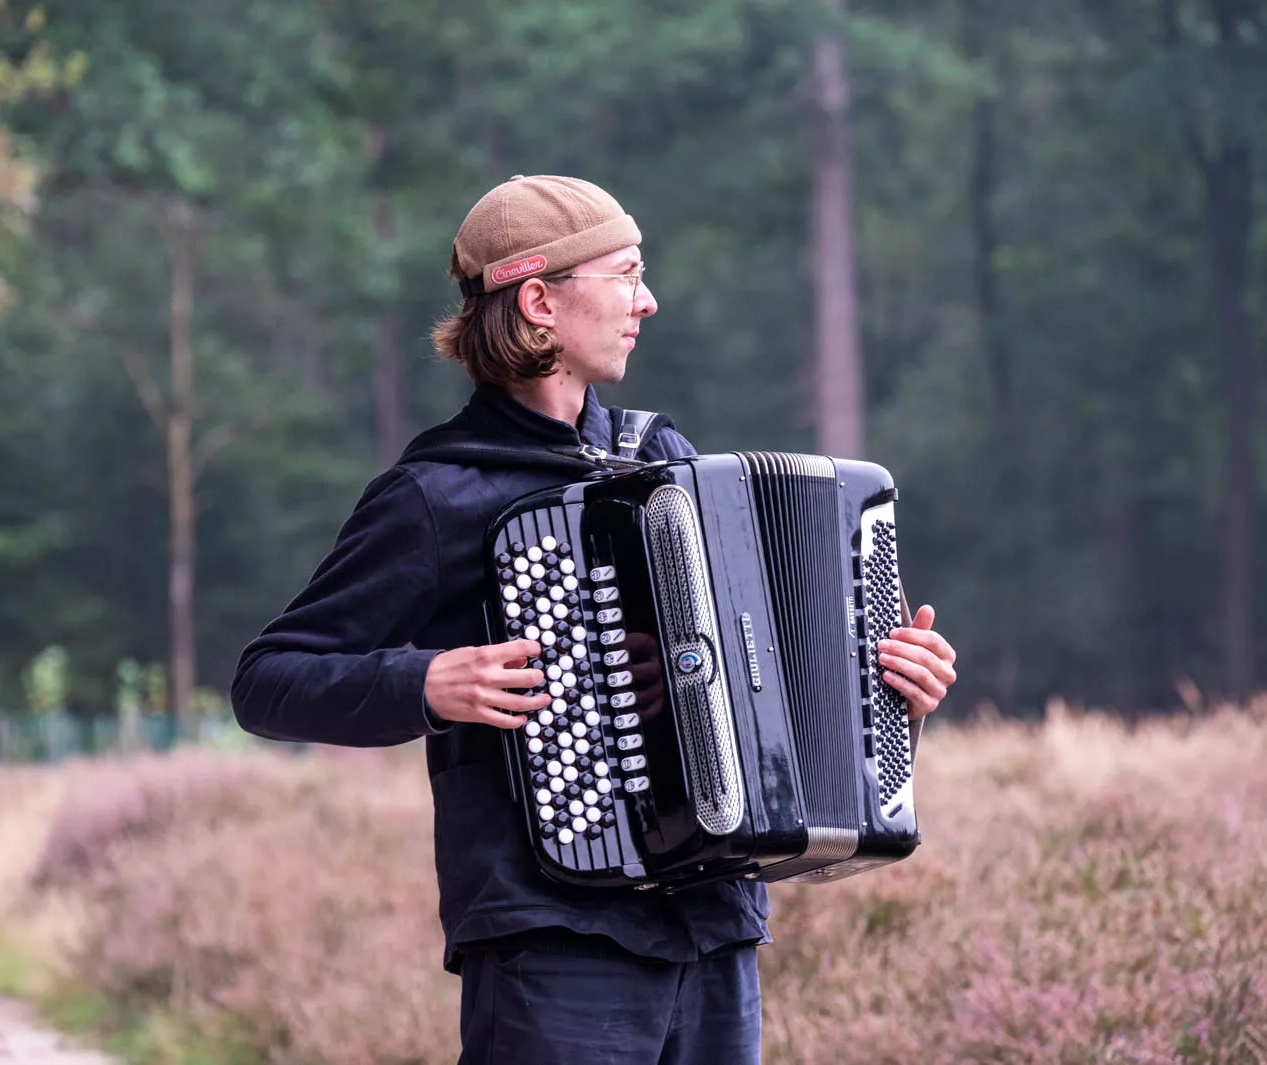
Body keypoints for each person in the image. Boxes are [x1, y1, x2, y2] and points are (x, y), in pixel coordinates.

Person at [230, 174, 959, 1065]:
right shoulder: (435, 495)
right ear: (539, 301)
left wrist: (885, 693)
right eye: (626, 273)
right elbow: (270, 679)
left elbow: (757, 682)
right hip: (553, 938)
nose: (647, 301)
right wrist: (427, 681)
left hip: (712, 927)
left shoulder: (664, 461)